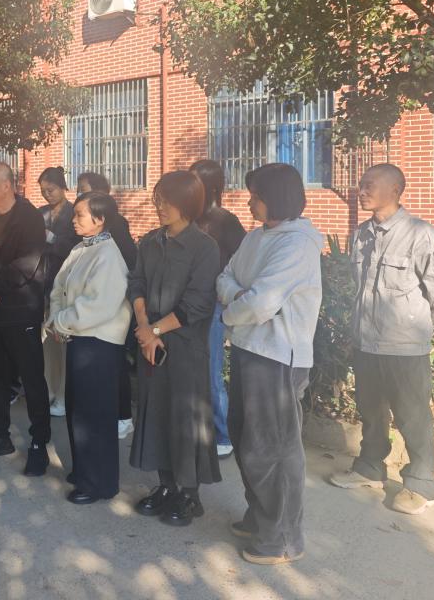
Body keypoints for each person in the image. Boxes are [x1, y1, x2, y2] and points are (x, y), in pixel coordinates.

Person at [329, 163, 434, 515]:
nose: (361, 190)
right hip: (366, 342)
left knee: (412, 416)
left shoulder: (421, 235)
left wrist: (417, 325)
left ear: (396, 190)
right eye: (360, 184)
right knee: (371, 411)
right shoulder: (361, 235)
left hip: (404, 347)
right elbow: (360, 288)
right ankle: (370, 468)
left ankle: (421, 483)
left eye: (369, 184)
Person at [217, 163, 323, 565]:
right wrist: (241, 298)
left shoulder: (297, 244)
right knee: (247, 440)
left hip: (278, 356)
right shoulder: (256, 236)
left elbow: (261, 302)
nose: (249, 203)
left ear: (276, 198)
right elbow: (225, 278)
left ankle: (282, 538)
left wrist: (233, 307)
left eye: (256, 196)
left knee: (273, 450)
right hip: (249, 347)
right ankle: (261, 516)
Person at [129, 171, 221, 526]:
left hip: (184, 348)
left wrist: (153, 331)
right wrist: (144, 328)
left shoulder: (204, 247)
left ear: (188, 203)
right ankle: (166, 485)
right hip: (150, 343)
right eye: (159, 200)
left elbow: (197, 304)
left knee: (185, 417)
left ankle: (190, 494)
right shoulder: (150, 242)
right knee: (156, 413)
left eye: (168, 201)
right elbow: (137, 283)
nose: (160, 207)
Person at [46, 192, 131, 505]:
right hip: (80, 338)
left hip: (99, 344)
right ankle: (84, 470)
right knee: (78, 410)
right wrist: (57, 319)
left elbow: (98, 306)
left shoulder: (108, 255)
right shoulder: (82, 248)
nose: (74, 220)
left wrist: (61, 322)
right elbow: (60, 287)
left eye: (80, 214)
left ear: (100, 219)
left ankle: (99, 483)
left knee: (94, 415)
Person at [0, 162, 52, 477]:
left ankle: (39, 444)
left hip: (20, 311)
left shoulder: (29, 217)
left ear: (6, 184)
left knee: (32, 379)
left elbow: (27, 264)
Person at [189, 160, 247, 459]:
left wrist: (228, 293)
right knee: (190, 371)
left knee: (210, 373)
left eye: (195, 181)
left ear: (211, 186)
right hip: (186, 305)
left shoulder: (225, 221)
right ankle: (197, 429)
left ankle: (223, 434)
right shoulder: (188, 218)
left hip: (212, 306)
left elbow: (242, 263)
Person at [76, 170, 137, 439]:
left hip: (113, 307)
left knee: (115, 363)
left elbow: (126, 262)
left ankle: (123, 416)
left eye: (84, 190)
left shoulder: (116, 225)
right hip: (92, 308)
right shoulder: (86, 233)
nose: (79, 194)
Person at [38, 166, 80, 419]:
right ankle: (48, 389)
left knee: (62, 343)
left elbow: (76, 247)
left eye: (51, 189)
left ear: (63, 187)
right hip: (42, 284)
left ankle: (64, 395)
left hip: (64, 285)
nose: (47, 194)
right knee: (46, 344)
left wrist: (52, 239)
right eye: (43, 191)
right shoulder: (40, 213)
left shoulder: (75, 213)